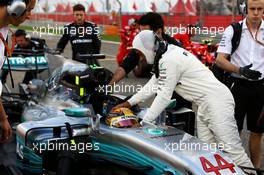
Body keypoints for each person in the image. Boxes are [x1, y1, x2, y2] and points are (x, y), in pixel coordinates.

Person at [114, 30, 254, 168]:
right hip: (205, 104)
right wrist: (128, 103)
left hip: (217, 102)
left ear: (148, 48)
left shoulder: (169, 59)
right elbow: (152, 85)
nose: (141, 58)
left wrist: (144, 123)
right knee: (208, 154)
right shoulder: (167, 53)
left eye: (140, 53)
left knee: (234, 152)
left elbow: (163, 96)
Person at [216, 0, 264, 168]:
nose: (256, 12)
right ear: (245, 8)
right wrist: (240, 70)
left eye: (260, 9)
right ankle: (231, 168)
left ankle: (255, 169)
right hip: (237, 85)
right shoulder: (233, 30)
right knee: (233, 131)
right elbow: (220, 59)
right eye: (252, 9)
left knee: (258, 132)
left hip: (261, 87)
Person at [109, 12, 182, 85]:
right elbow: (126, 65)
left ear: (158, 31)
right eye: (141, 32)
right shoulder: (142, 44)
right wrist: (109, 85)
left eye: (146, 33)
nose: (142, 36)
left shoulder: (175, 47)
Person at [0, 0, 36, 142]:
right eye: (28, 10)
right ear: (16, 6)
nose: (29, 16)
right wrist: (3, 119)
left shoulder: (4, 30)